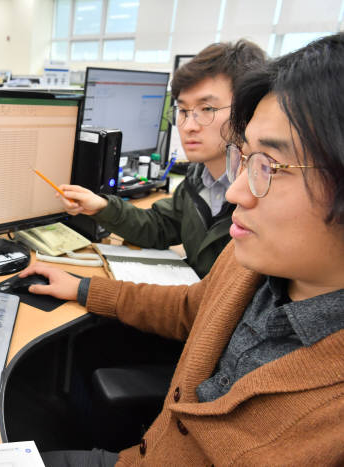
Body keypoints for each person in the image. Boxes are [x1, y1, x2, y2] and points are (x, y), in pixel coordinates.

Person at [23, 33, 344, 466]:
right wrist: (84, 288)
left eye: (269, 165)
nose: (234, 193)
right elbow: (192, 304)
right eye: (245, 159)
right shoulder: (250, 258)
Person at [60, 41, 266, 278]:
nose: (188, 126)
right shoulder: (200, 176)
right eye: (183, 111)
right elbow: (159, 227)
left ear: (247, 111)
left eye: (207, 109)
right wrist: (103, 207)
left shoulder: (261, 199)